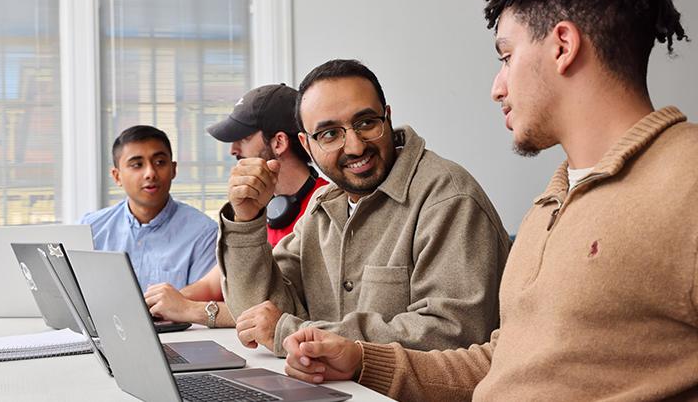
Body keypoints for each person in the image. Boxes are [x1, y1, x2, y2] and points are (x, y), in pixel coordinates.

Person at [281, 0, 698, 400]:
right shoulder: (552, 204)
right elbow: (502, 364)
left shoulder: (686, 183)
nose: (497, 87)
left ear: (562, 45)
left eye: (506, 56)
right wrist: (363, 359)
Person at [219, 59, 511, 357]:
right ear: (307, 146)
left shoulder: (449, 198)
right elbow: (257, 316)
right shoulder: (323, 208)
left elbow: (453, 333)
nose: (356, 146)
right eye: (330, 134)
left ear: (387, 118)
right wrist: (246, 218)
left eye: (366, 123)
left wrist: (296, 334)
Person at [142, 84, 327, 328]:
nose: (233, 149)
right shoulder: (258, 208)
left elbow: (290, 312)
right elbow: (213, 283)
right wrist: (157, 306)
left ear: (279, 142)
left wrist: (190, 310)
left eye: (245, 137)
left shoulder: (326, 207)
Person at [80, 125, 218, 294]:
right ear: (117, 176)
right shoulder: (90, 228)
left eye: (160, 162)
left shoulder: (203, 232)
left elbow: (201, 304)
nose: (150, 173)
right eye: (137, 165)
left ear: (173, 169)